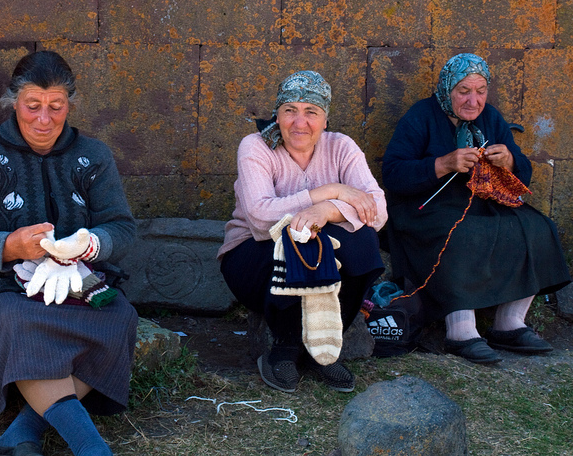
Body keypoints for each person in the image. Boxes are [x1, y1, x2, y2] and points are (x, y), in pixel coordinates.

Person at [0, 51, 138, 456]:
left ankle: (21, 430)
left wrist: (90, 243)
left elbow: (121, 225)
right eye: (33, 106)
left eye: (56, 107)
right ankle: (91, 448)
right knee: (22, 322)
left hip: (80, 283)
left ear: (70, 105)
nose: (43, 119)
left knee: (120, 317)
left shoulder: (93, 155)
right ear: (14, 103)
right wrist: (11, 245)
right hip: (2, 288)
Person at [382, 53, 571, 364]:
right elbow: (393, 174)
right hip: (427, 209)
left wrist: (509, 160)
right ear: (447, 89)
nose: (473, 101)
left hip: (483, 202)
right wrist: (442, 164)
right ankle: (461, 330)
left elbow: (522, 173)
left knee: (538, 227)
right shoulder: (420, 117)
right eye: (464, 91)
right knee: (463, 233)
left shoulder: (491, 118)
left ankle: (509, 323)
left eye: (480, 91)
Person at [218, 70, 387, 393]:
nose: (300, 122)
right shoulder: (256, 146)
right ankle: (284, 346)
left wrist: (326, 211)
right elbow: (259, 216)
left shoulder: (341, 147)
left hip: (321, 258)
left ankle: (321, 349)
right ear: (277, 115)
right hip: (252, 260)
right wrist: (330, 191)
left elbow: (377, 210)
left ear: (325, 119)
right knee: (300, 241)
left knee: (363, 240)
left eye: (311, 112)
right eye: (290, 111)